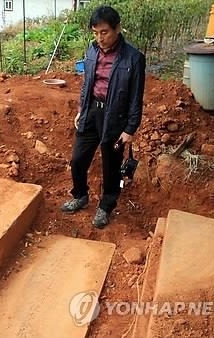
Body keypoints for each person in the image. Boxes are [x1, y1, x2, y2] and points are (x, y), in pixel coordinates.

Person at [61, 5, 146, 229]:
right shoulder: (92, 51)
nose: (99, 38)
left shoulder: (134, 58)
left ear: (117, 29)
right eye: (95, 33)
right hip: (91, 113)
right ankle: (80, 195)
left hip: (116, 119)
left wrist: (130, 129)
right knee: (78, 159)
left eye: (104, 32)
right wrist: (81, 109)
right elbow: (86, 84)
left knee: (112, 165)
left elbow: (136, 97)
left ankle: (106, 206)